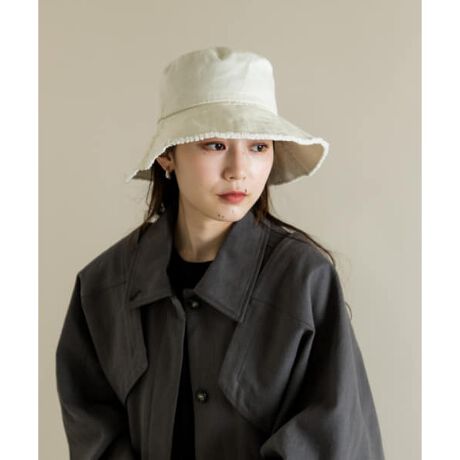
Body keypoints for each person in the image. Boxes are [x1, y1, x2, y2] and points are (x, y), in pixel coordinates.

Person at [55, 46, 386, 459]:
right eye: (214, 145)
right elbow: (93, 432)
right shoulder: (103, 288)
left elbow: (333, 436)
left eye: (258, 146)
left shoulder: (304, 280)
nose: (238, 170)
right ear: (167, 155)